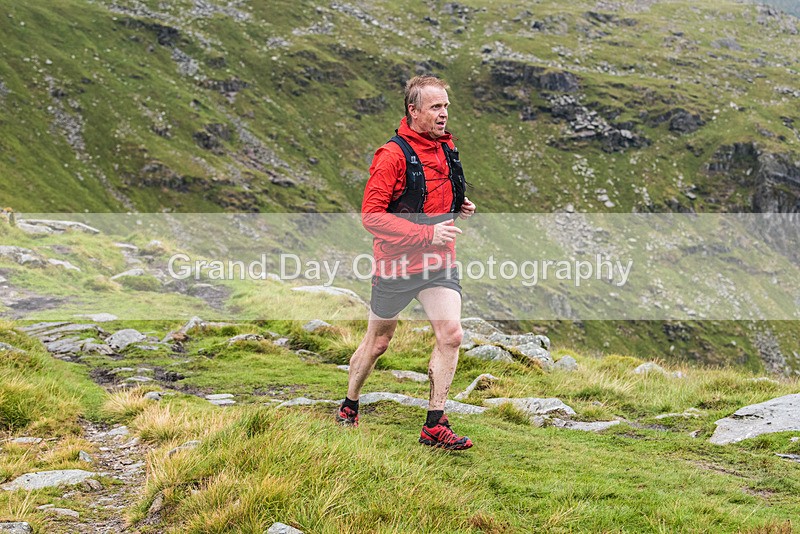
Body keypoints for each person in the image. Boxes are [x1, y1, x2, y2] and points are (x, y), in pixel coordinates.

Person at [335, 75, 477, 451]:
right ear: (413, 111)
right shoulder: (391, 156)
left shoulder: (446, 149)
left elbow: (430, 198)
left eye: (446, 106)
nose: (444, 114)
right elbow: (371, 216)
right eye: (435, 107)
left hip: (439, 264)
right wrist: (427, 234)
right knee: (378, 342)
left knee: (452, 335)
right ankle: (350, 403)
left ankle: (435, 424)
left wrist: (458, 207)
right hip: (396, 267)